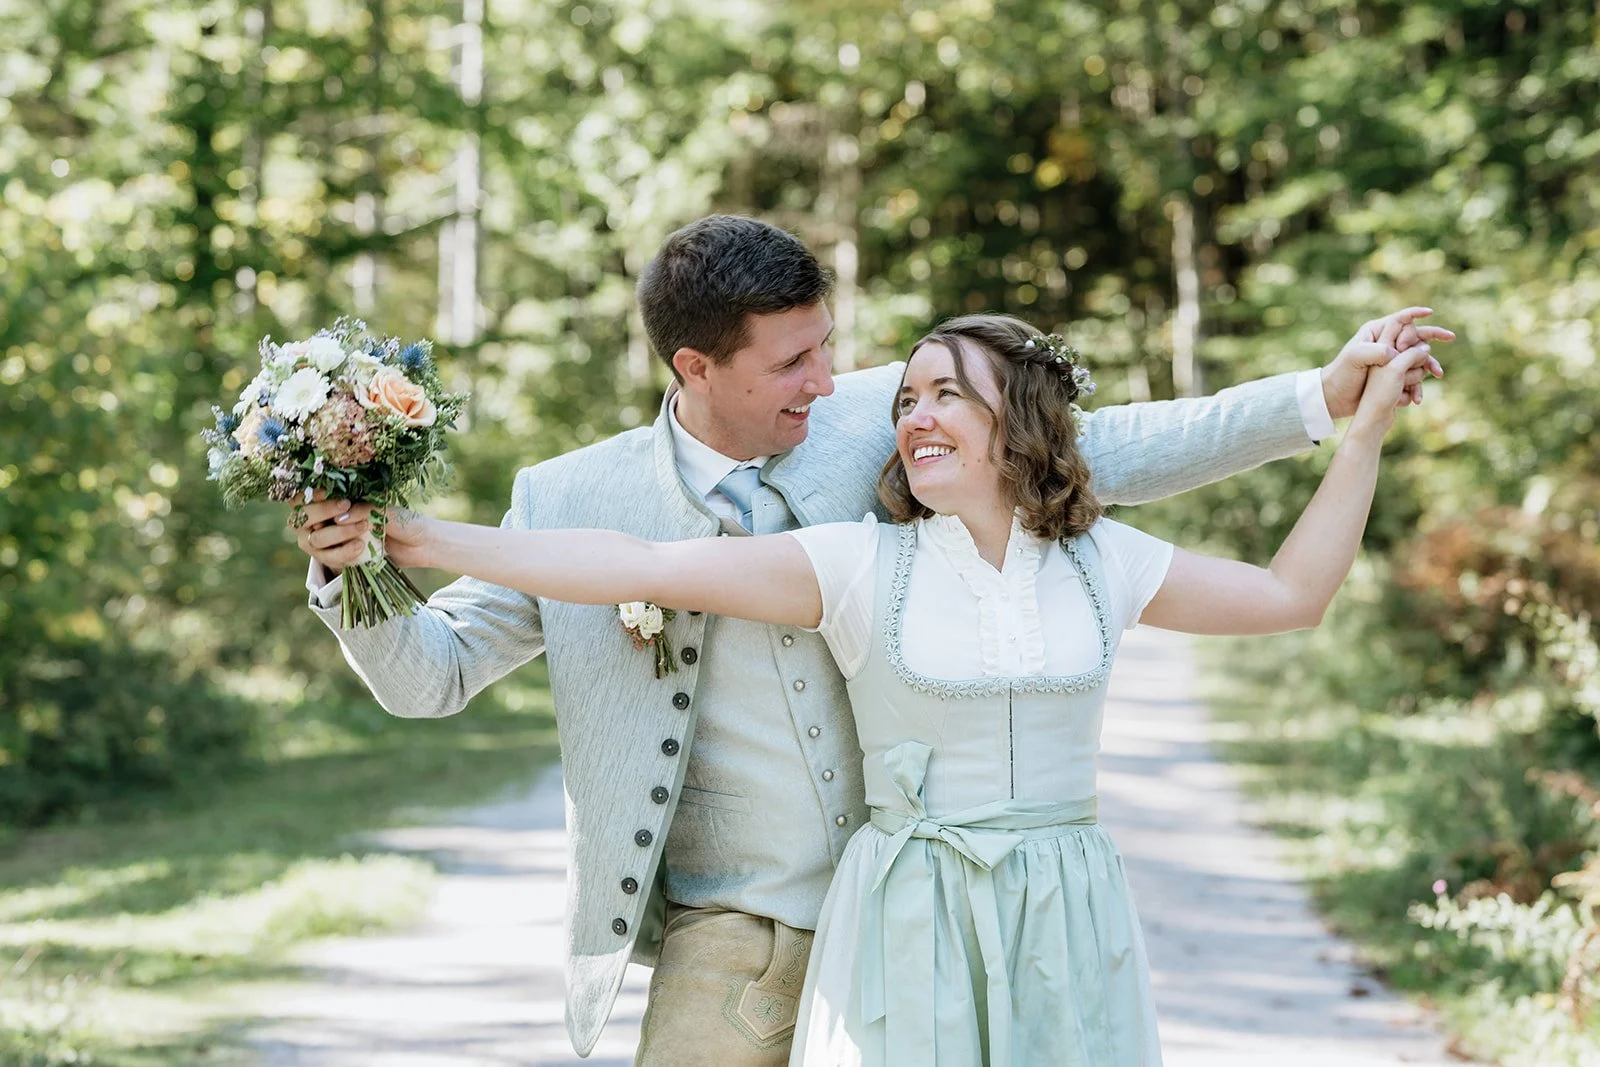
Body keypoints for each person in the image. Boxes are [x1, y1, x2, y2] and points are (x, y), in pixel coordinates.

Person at [294, 214, 1450, 1064]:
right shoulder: (569, 495)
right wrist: (364, 565)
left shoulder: (894, 427)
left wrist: (1318, 402)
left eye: (828, 348)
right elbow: (436, 674)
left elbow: (1110, 445)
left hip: (931, 905)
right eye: (793, 361)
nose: (831, 380)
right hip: (740, 924)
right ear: (697, 366)